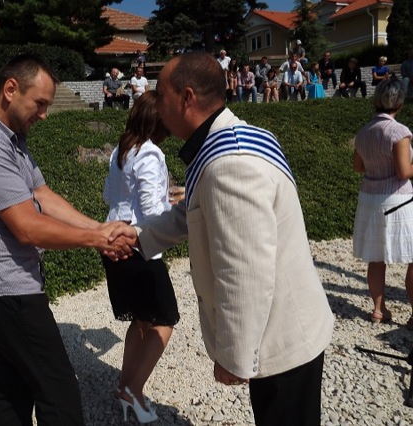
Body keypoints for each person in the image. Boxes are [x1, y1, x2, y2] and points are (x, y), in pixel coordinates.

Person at [106, 51, 334, 426]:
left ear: (187, 97)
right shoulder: (229, 140)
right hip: (280, 323)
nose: (155, 104)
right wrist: (136, 236)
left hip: (281, 336)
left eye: (161, 94)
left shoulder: (230, 163)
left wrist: (235, 356)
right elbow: (192, 212)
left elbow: (244, 271)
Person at [0, 53, 130, 426]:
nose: (44, 115)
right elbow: (28, 227)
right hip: (4, 289)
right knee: (58, 392)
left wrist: (99, 228)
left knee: (13, 384)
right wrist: (96, 240)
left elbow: (41, 194)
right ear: (11, 89)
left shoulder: (8, 138)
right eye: (40, 103)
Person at [102, 91, 179, 424]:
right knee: (165, 319)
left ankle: (124, 386)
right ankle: (133, 390)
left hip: (113, 239)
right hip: (138, 246)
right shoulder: (150, 152)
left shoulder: (120, 150)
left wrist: (163, 198)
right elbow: (151, 212)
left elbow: (109, 194)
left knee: (142, 318)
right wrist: (174, 205)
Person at [352, 79, 413, 329]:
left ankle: (379, 309)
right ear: (400, 103)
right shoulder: (399, 132)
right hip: (397, 199)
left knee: (376, 258)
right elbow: (403, 171)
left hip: (370, 199)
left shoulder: (364, 132)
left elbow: (358, 167)